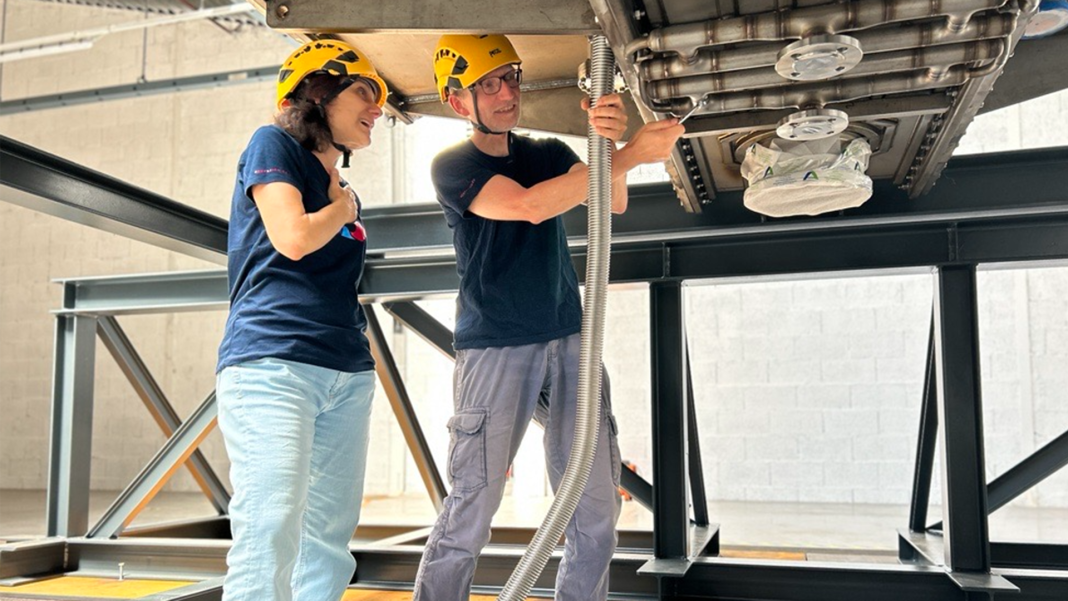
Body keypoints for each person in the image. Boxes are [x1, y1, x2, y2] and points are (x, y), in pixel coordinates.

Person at [413, 34, 685, 601]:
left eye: (510, 78)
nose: (506, 93)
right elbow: (528, 207)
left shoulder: (546, 153)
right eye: (488, 85)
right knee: (472, 506)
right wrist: (630, 153)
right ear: (458, 101)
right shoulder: (453, 166)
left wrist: (607, 137)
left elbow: (611, 201)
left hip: (569, 340)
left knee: (595, 507)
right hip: (496, 348)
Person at [215, 39, 388, 601]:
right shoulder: (272, 145)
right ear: (316, 92)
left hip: (347, 372)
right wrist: (343, 209)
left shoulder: (340, 188)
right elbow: (291, 238)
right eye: (362, 92)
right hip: (274, 363)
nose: (377, 108)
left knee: (328, 541)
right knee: (270, 527)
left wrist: (342, 202)